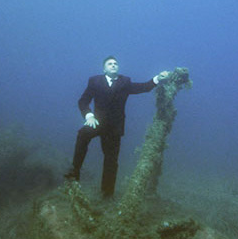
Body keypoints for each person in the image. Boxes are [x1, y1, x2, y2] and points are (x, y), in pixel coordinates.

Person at [65, 56, 169, 198]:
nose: (113, 65)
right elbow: (83, 101)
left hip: (114, 127)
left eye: (115, 63)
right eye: (110, 63)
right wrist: (89, 115)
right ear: (104, 69)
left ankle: (107, 193)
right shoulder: (94, 81)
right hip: (97, 122)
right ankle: (75, 171)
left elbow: (143, 87)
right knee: (82, 134)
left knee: (111, 160)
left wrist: (158, 78)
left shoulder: (125, 82)